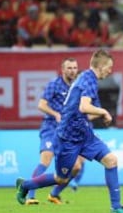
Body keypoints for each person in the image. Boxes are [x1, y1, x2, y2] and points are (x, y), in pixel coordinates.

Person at [16, 49, 123, 213]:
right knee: (61, 179)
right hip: (67, 137)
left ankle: (116, 208)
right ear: (101, 65)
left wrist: (99, 114)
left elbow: (84, 111)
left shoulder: (89, 80)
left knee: (111, 160)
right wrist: (103, 111)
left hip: (84, 133)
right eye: (109, 67)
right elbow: (84, 106)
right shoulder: (88, 79)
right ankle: (26, 185)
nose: (111, 71)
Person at [26, 57, 85, 205]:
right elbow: (41, 105)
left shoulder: (78, 87)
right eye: (69, 68)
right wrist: (55, 114)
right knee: (46, 159)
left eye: (75, 68)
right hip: (51, 128)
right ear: (63, 69)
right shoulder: (54, 85)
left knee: (77, 166)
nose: (72, 71)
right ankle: (30, 196)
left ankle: (54, 194)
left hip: (68, 131)